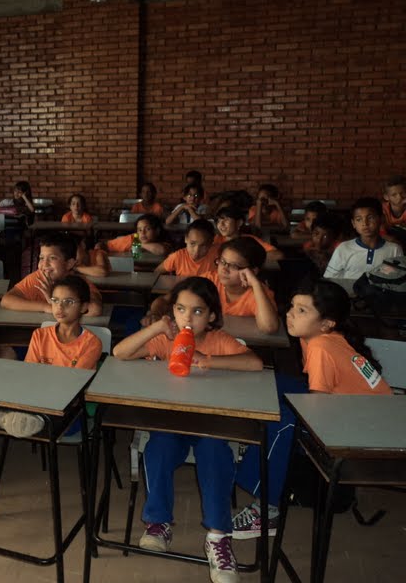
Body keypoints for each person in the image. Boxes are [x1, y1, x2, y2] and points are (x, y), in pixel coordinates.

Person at [113, 277, 263, 583]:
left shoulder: (219, 340)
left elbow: (255, 364)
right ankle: (158, 523)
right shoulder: (166, 340)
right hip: (172, 423)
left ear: (211, 315)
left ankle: (218, 537)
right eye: (180, 309)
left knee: (215, 453)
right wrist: (157, 328)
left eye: (197, 311)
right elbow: (120, 353)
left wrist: (209, 360)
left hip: (209, 425)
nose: (188, 318)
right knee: (158, 447)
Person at [232, 280, 392, 540]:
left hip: (365, 430)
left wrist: (274, 420)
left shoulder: (321, 347)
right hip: (352, 410)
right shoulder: (317, 338)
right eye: (292, 306)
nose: (290, 314)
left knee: (281, 424)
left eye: (302, 310)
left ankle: (267, 509)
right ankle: (257, 448)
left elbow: (316, 411)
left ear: (326, 323)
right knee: (268, 383)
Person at [0, 276, 104, 438]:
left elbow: (72, 386)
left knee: (35, 419)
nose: (60, 307)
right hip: (38, 398)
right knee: (3, 391)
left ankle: (18, 419)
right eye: (55, 300)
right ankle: (9, 416)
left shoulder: (92, 343)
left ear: (84, 307)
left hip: (69, 410)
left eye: (69, 302)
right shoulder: (40, 335)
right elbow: (30, 373)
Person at [144, 237, 279, 334]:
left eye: (234, 266)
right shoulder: (209, 280)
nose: (224, 269)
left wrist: (255, 283)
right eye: (222, 262)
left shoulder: (259, 293)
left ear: (253, 271)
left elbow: (269, 327)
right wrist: (155, 313)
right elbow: (164, 300)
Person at [1, 233, 103, 316]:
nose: (44, 264)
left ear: (69, 264)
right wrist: (46, 307)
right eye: (41, 258)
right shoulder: (39, 278)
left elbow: (95, 309)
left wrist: (54, 301)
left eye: (52, 258)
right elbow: (6, 300)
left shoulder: (78, 282)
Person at [323, 197, 402, 279]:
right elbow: (329, 279)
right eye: (359, 219)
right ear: (353, 223)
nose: (365, 223)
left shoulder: (394, 250)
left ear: (381, 219)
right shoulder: (344, 248)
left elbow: (400, 281)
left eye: (370, 218)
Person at [214, 205, 284, 261]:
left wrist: (246, 257)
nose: (221, 224)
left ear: (239, 223)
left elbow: (278, 255)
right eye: (218, 221)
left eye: (226, 220)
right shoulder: (215, 240)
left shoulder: (249, 240)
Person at [103, 214, 170, 256]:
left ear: (157, 231)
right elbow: (104, 245)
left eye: (148, 229)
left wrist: (140, 245)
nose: (143, 233)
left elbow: (162, 250)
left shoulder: (163, 240)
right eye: (139, 230)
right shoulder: (132, 238)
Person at [381, 175, 406, 243]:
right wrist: (387, 237)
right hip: (388, 237)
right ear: (386, 197)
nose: (400, 197)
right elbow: (380, 230)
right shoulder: (383, 209)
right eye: (394, 195)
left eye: (402, 193)